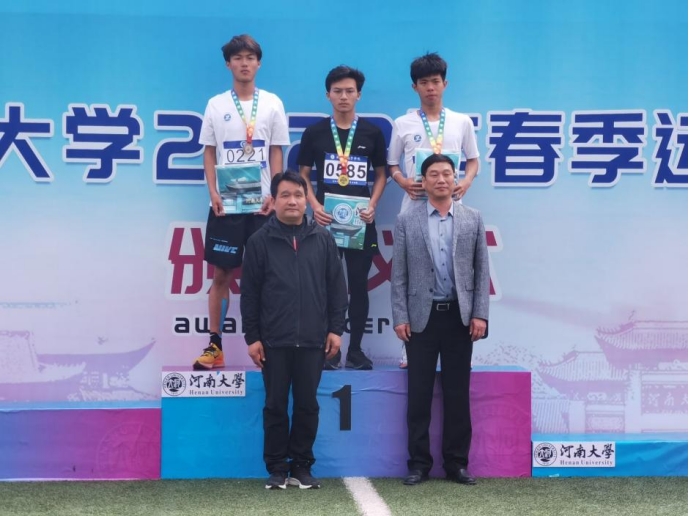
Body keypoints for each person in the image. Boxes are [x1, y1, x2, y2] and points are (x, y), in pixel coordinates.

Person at [240, 171, 348, 490]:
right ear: (273, 201)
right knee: (275, 405)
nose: (292, 201)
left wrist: (335, 330)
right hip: (273, 340)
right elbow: (250, 294)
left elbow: (337, 289)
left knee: (307, 404)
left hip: (314, 340)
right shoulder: (259, 242)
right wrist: (252, 337)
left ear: (306, 201)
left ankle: (301, 465)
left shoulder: (323, 239)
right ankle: (276, 467)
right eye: (285, 195)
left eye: (298, 195)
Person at [390, 153, 489, 486]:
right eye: (434, 174)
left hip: (460, 318)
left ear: (455, 178)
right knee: (418, 395)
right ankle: (418, 464)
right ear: (423, 181)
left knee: (457, 394)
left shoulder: (473, 218)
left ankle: (456, 464)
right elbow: (398, 274)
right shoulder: (407, 220)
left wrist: (480, 314)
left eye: (447, 173)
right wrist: (400, 316)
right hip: (422, 318)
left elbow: (481, 270)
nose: (441, 179)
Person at [193, 34, 290, 370]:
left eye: (250, 57)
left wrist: (275, 193)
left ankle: (269, 345)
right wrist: (213, 193)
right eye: (238, 58)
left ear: (258, 63)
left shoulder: (272, 103)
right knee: (221, 274)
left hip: (262, 204)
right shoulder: (216, 104)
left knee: (267, 276)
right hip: (227, 204)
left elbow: (275, 151)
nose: (244, 63)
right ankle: (215, 346)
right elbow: (209, 152)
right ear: (228, 64)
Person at [388, 52, 480, 369]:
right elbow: (391, 164)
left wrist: (465, 181)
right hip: (414, 208)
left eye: (436, 82)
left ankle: (457, 343)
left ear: (445, 84)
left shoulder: (461, 122)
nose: (430, 88)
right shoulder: (402, 124)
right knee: (412, 274)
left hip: (451, 208)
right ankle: (409, 346)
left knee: (454, 272)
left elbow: (473, 160)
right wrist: (402, 181)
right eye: (424, 82)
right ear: (414, 87)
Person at [297, 65, 387, 370]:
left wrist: (372, 205)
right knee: (324, 286)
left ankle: (356, 350)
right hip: (326, 223)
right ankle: (329, 352)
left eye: (350, 91)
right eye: (338, 91)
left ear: (359, 95)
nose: (344, 96)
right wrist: (314, 206)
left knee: (359, 285)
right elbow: (303, 174)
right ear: (328, 95)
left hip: (361, 222)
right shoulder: (315, 133)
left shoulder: (372, 133)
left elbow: (381, 174)